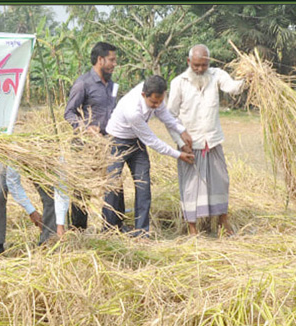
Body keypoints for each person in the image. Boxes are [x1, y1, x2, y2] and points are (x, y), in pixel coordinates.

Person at [167, 44, 247, 236]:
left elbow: (233, 88)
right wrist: (180, 142)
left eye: (203, 65)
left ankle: (222, 223)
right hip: (189, 145)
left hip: (212, 141)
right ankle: (192, 228)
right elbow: (170, 116)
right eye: (196, 65)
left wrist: (247, 79)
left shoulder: (216, 75)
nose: (200, 69)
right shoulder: (178, 82)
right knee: (190, 187)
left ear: (208, 62)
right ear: (189, 62)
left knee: (221, 181)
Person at [103, 75, 195, 238]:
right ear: (143, 95)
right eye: (153, 102)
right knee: (113, 185)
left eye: (160, 101)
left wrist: (182, 131)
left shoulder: (156, 95)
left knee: (143, 184)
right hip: (116, 140)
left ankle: (141, 232)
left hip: (136, 142)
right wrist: (178, 154)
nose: (156, 105)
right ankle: (110, 230)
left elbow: (165, 116)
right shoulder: (133, 110)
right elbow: (152, 140)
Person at [56, 42, 119, 235]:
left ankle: (110, 229)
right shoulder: (83, 83)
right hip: (85, 146)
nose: (115, 64)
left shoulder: (113, 86)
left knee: (111, 185)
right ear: (100, 60)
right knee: (82, 189)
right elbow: (69, 113)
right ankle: (79, 231)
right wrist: (85, 128)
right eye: (111, 60)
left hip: (108, 144)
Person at [0, 163, 43, 254]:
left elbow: (13, 182)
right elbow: (13, 183)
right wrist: (31, 211)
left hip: (35, 153)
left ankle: (48, 237)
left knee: (47, 191)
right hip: (5, 154)